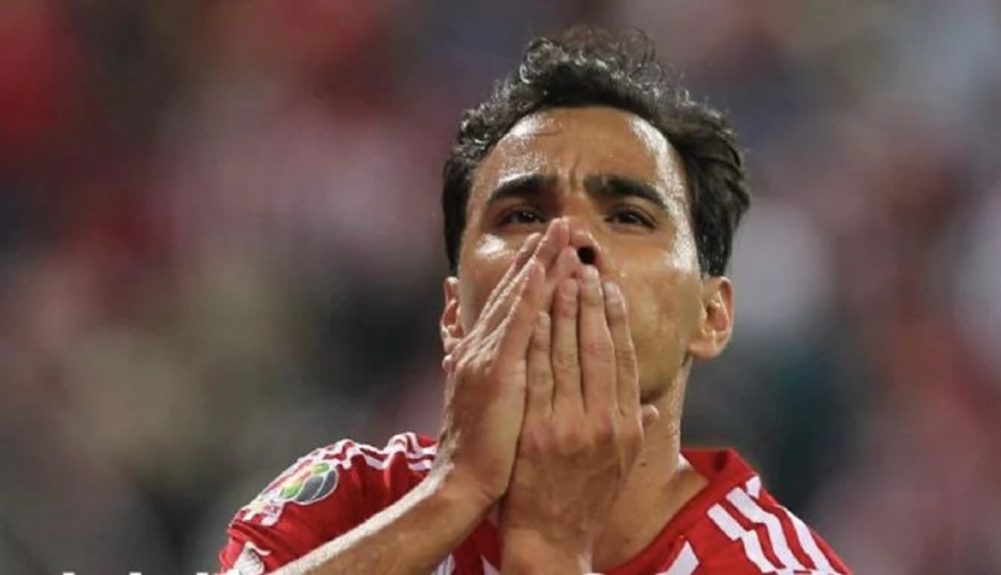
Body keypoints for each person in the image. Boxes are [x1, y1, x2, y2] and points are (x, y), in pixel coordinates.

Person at [218, 27, 850, 575]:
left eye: (628, 216)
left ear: (711, 316)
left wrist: (550, 551)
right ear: (453, 314)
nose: (568, 241)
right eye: (522, 215)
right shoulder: (349, 502)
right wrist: (453, 491)